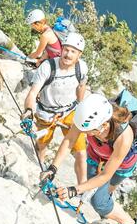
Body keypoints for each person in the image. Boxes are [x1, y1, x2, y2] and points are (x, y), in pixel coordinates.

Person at [41, 92, 137, 224]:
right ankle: (108, 205)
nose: (85, 134)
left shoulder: (124, 136)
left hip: (121, 165)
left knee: (99, 201)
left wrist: (75, 190)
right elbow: (70, 140)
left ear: (104, 125)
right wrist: (52, 168)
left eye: (90, 132)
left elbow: (106, 175)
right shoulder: (86, 118)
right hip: (97, 155)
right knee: (100, 193)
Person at [21, 32, 89, 176]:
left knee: (81, 151)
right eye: (66, 50)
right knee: (42, 145)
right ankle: (39, 170)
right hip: (46, 112)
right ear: (61, 49)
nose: (68, 54)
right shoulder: (47, 67)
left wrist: (81, 105)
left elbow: (81, 86)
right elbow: (33, 93)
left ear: (79, 55)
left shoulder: (81, 68)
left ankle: (81, 190)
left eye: (73, 51)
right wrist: (28, 111)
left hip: (70, 111)